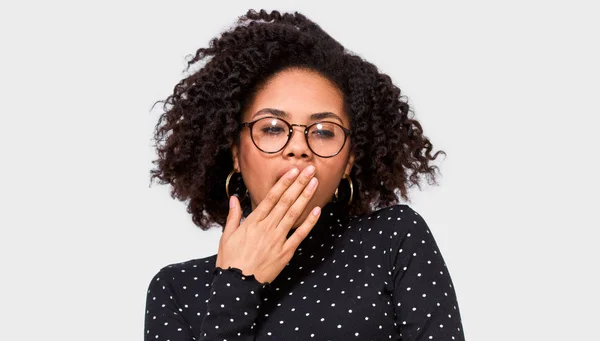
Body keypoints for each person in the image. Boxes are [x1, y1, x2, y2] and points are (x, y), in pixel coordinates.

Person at [145, 9, 465, 340]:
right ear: (235, 153)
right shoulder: (177, 290)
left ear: (349, 160)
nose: (299, 146)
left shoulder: (394, 240)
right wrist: (236, 284)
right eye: (272, 128)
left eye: (324, 131)